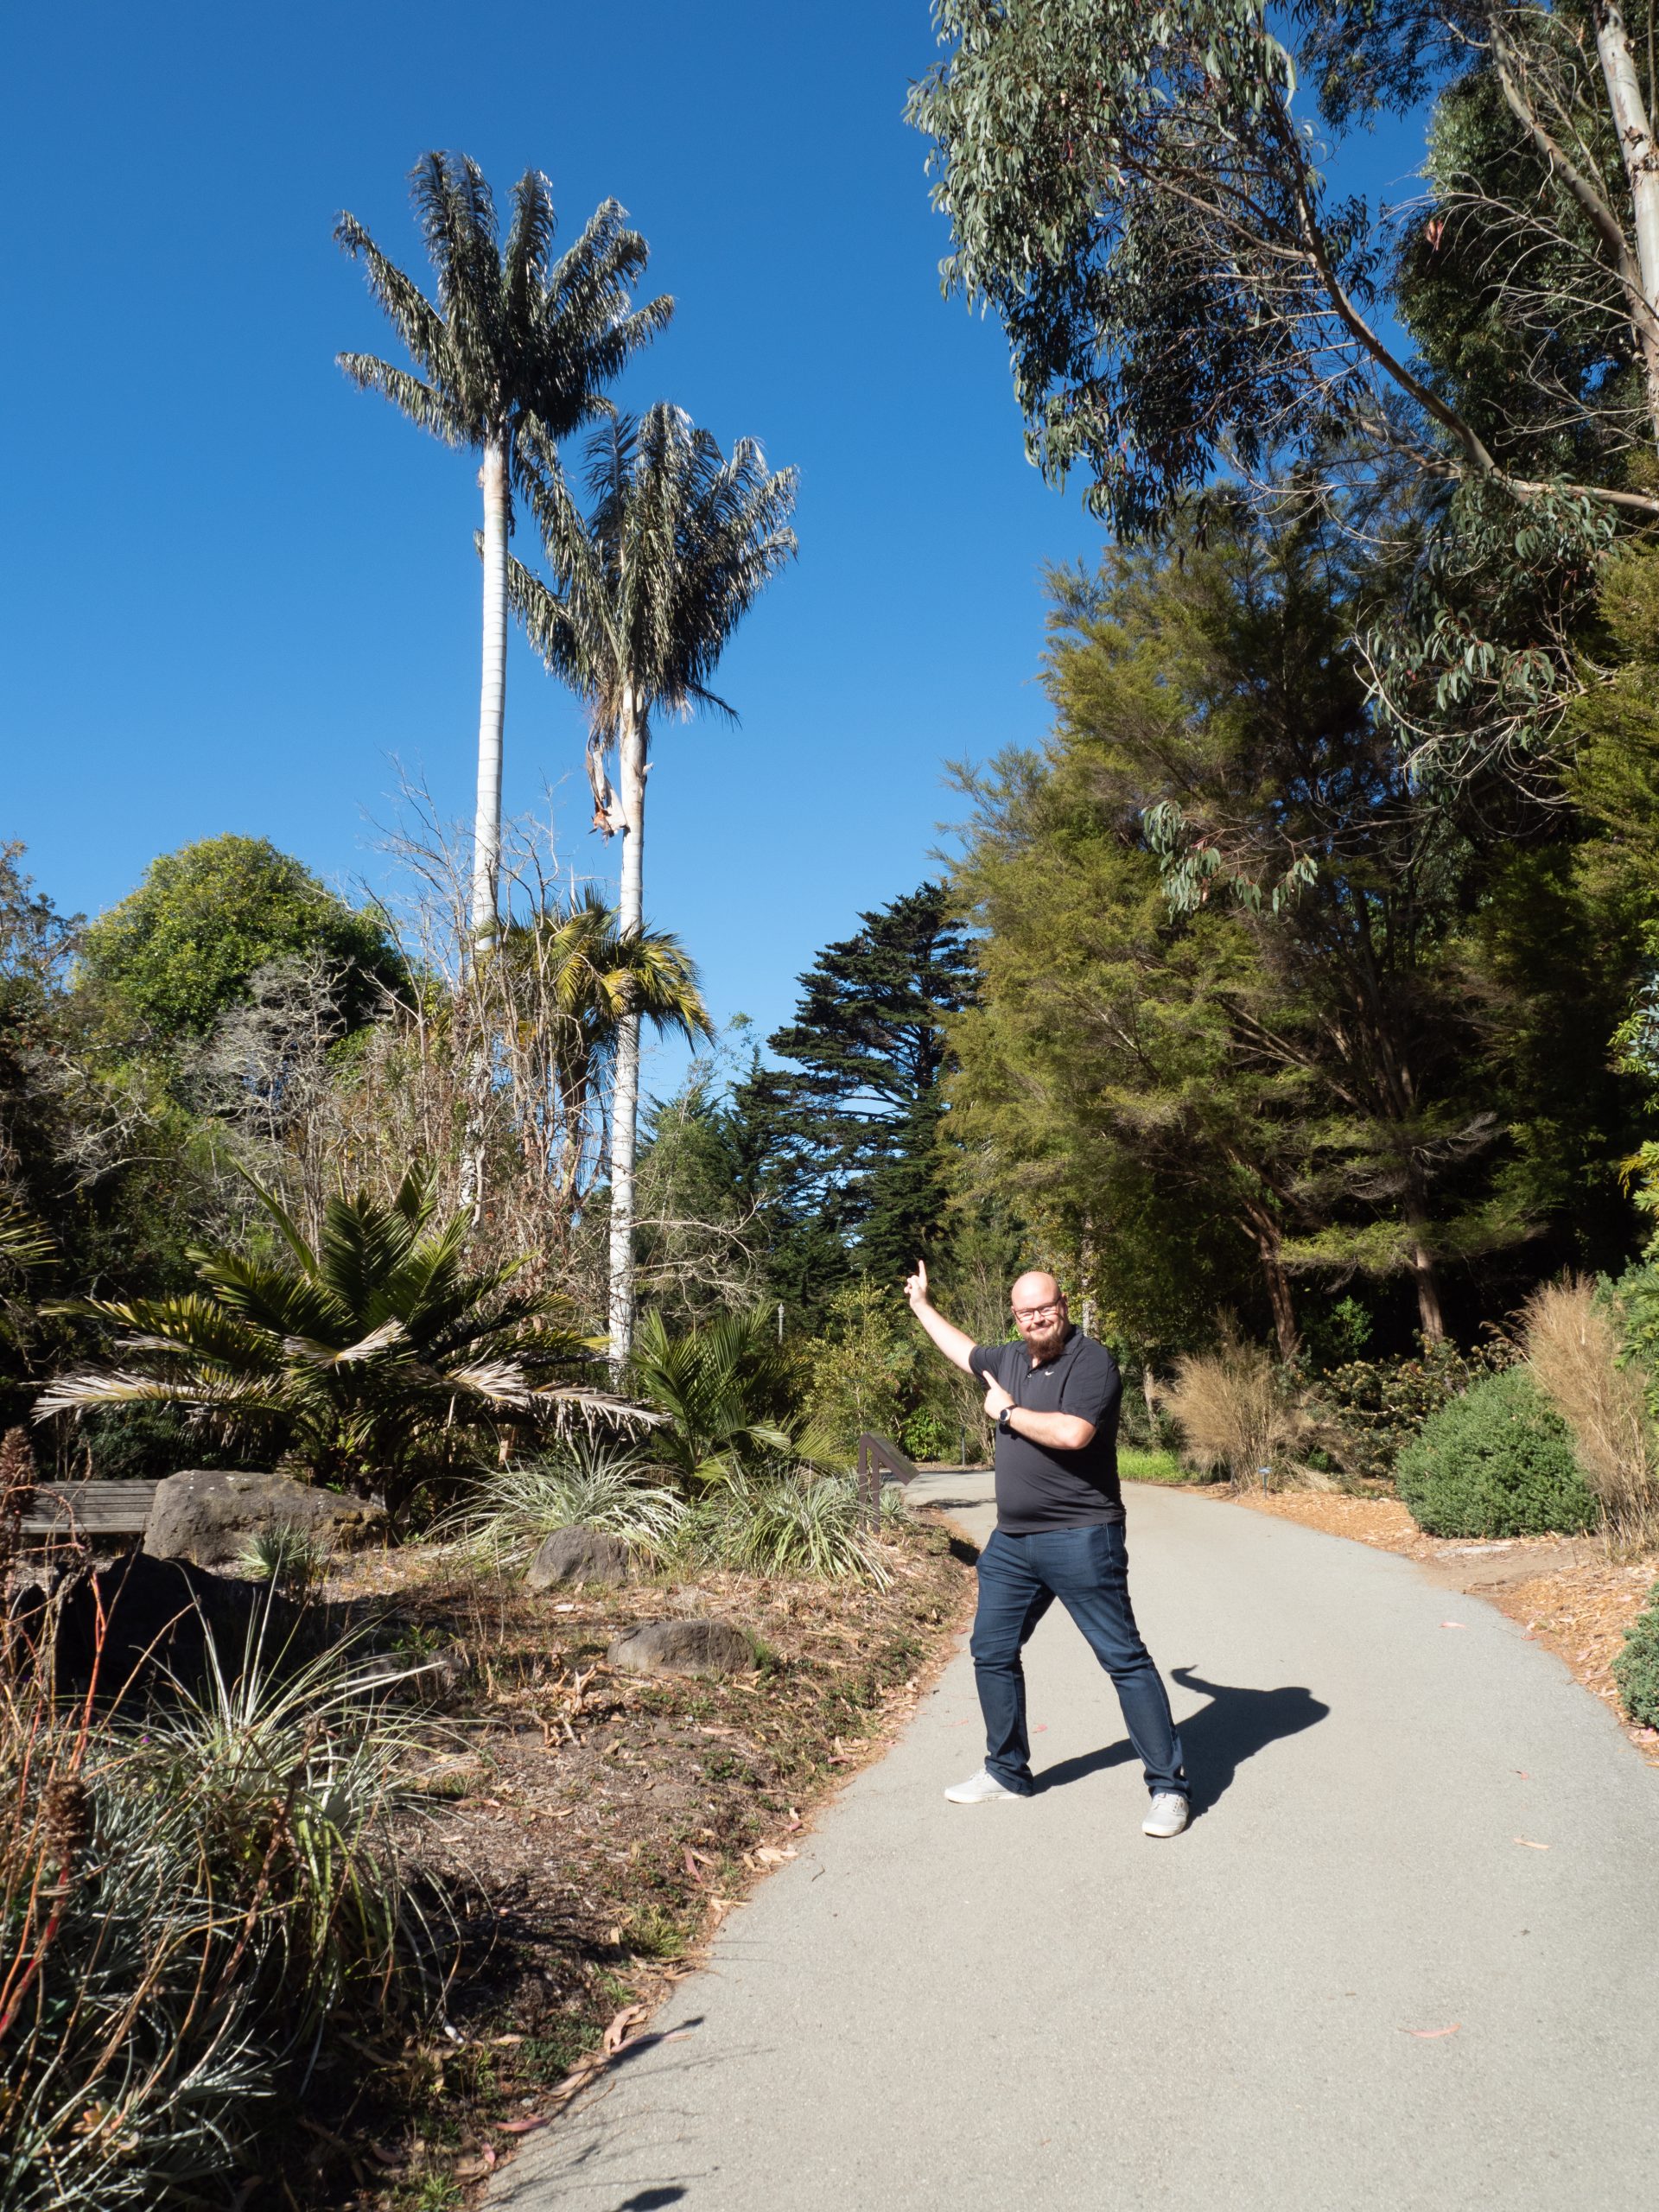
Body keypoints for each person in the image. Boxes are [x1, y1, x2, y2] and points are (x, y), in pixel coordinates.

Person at [905, 1260, 1190, 1837]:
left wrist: (1007, 1412)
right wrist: (922, 1307)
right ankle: (1007, 1771)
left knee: (1123, 1658)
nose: (1036, 1319)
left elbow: (1073, 1433)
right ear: (1015, 1316)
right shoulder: (1009, 1358)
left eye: (1045, 1308)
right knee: (991, 1650)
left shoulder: (1091, 1361)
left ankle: (1169, 1788)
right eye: (1025, 1312)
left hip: (1082, 1536)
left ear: (1062, 1306)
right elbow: (963, 1351)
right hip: (1013, 1542)